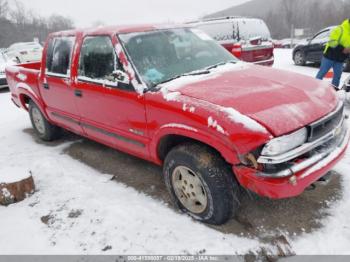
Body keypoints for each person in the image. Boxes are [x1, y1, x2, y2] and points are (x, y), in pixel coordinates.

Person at [316, 19, 350, 89]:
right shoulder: (339, 29)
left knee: (337, 76)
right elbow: (332, 42)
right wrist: (343, 49)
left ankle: (333, 92)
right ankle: (315, 89)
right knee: (322, 73)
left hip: (340, 59)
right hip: (329, 56)